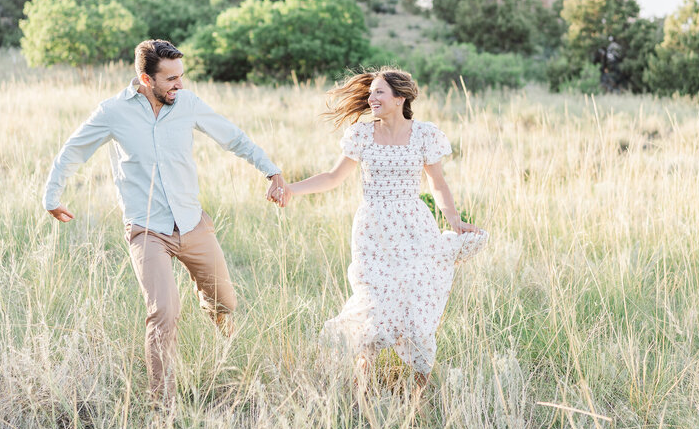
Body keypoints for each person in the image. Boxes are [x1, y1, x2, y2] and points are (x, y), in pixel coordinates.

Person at [43, 39, 287, 399]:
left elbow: (233, 138)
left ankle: (212, 309)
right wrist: (52, 196)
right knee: (163, 313)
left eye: (181, 76)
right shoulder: (112, 112)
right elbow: (73, 151)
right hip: (147, 229)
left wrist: (272, 172)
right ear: (146, 78)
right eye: (171, 79)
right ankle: (162, 405)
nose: (180, 85)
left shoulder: (187, 104)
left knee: (225, 303)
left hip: (191, 222)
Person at [275, 68, 486, 391]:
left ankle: (420, 395)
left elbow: (438, 183)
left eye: (379, 93)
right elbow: (333, 178)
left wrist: (454, 220)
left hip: (414, 228)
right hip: (373, 231)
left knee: (416, 308)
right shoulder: (362, 135)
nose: (371, 98)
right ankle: (363, 393)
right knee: (373, 305)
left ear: (399, 97)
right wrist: (291, 189)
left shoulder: (424, 135)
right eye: (371, 93)